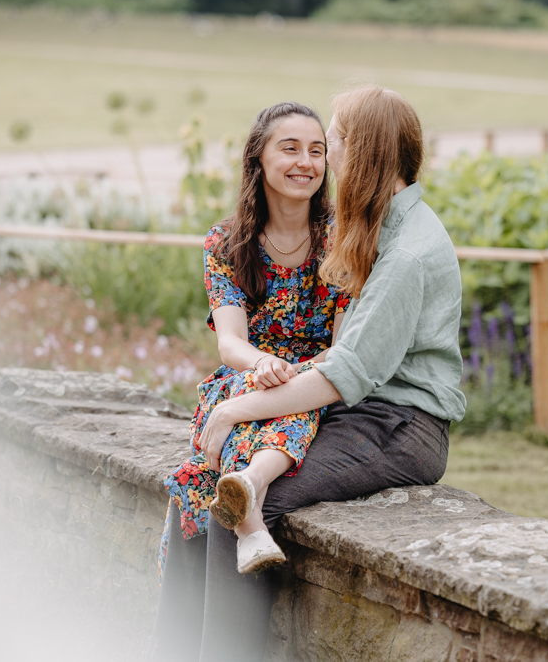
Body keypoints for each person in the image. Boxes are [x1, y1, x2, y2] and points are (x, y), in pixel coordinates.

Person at [152, 85, 466, 662]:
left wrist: (233, 409)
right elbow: (255, 345)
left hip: (399, 428)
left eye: (336, 141)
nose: (328, 157)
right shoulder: (382, 228)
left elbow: (345, 371)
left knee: (241, 501)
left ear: (362, 150)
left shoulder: (407, 252)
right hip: (359, 410)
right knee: (199, 483)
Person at [160, 101, 349, 579]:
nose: (305, 162)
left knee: (292, 404)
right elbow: (230, 344)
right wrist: (263, 365)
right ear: (258, 160)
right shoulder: (226, 242)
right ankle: (249, 520)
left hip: (315, 378)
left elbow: (346, 343)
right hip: (246, 373)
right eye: (289, 149)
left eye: (316, 151)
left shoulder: (343, 239)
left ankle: (247, 504)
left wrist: (289, 372)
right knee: (251, 398)